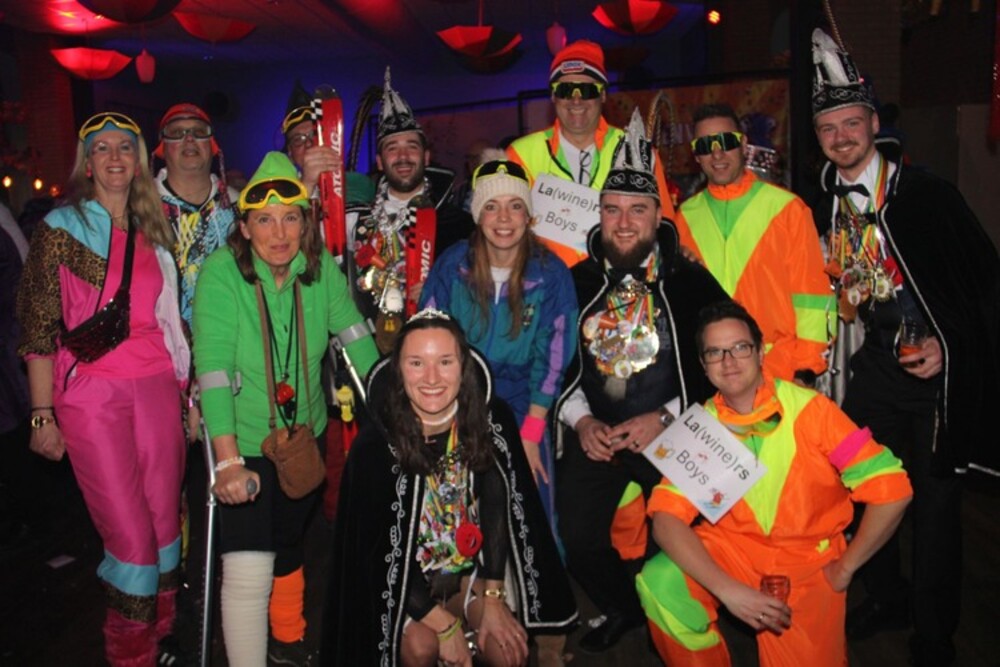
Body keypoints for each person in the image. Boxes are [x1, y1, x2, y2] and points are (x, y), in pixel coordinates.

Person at [810, 27, 1000, 666]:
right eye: (828, 128)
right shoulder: (825, 204)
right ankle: (887, 596)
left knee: (937, 504)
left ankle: (935, 635)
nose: (841, 137)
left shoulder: (928, 196)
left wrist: (951, 347)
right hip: (877, 364)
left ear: (873, 124)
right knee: (863, 484)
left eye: (851, 123)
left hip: (936, 374)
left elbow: (985, 284)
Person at [636, 301, 913, 666]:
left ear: (761, 353)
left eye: (740, 347)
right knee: (661, 583)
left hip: (805, 564)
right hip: (733, 551)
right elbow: (665, 520)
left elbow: (892, 489)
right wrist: (728, 590)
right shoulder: (700, 425)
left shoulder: (813, 411)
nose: (728, 361)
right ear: (703, 365)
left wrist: (845, 569)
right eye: (715, 353)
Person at [16, 112, 190, 666]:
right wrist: (41, 415)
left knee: (165, 525)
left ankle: (161, 636)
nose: (115, 157)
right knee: (131, 539)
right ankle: (131, 653)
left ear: (139, 162)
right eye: (102, 148)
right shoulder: (60, 229)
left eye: (125, 147)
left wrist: (187, 397)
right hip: (92, 396)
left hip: (158, 388)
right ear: (87, 163)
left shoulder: (155, 226)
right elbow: (37, 330)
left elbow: (170, 319)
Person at [192, 152, 379, 666]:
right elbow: (213, 371)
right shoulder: (221, 274)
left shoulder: (317, 271)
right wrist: (228, 462)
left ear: (305, 222)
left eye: (291, 218)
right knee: (249, 563)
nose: (279, 233)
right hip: (242, 437)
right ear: (245, 227)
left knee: (288, 539)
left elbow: (356, 338)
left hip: (304, 432)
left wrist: (397, 407)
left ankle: (288, 637)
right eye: (265, 220)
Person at [553, 109, 729, 653]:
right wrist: (582, 422)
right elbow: (553, 363)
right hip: (598, 434)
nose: (624, 222)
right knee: (574, 537)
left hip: (674, 433)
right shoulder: (574, 282)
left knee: (681, 543)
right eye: (612, 209)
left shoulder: (689, 280)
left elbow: (730, 358)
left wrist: (667, 416)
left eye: (637, 209)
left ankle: (667, 615)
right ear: (599, 215)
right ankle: (624, 607)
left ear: (658, 215)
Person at [322, 311, 578, 666]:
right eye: (416, 363)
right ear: (398, 371)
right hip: (403, 591)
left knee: (509, 650)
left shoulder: (489, 423)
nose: (431, 378)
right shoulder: (375, 448)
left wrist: (493, 598)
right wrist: (444, 626)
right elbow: (375, 558)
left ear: (464, 368)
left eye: (445, 362)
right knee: (422, 647)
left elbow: (496, 506)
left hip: (462, 576)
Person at [420, 153, 578, 522]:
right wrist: (431, 415)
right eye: (491, 206)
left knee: (530, 510)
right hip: (455, 399)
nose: (504, 218)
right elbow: (426, 335)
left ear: (528, 216)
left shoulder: (550, 274)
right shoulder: (453, 265)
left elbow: (553, 359)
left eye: (515, 206)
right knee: (450, 511)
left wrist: (532, 433)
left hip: (521, 404)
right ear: (477, 214)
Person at [674, 103, 833, 384]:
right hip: (712, 374)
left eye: (726, 141)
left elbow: (812, 296)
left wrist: (806, 369)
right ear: (696, 155)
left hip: (779, 370)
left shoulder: (787, 209)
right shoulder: (684, 217)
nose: (717, 154)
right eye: (705, 145)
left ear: (743, 144)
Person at [506, 40, 675, 266]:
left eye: (587, 90)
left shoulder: (635, 150)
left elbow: (665, 228)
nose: (576, 100)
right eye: (565, 90)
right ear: (553, 96)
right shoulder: (521, 154)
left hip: (620, 281)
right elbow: (503, 231)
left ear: (603, 95)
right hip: (547, 282)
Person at [353, 68, 475, 352]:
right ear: (379, 162)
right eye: (392, 148)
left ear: (426, 156)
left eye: (412, 147)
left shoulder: (460, 225)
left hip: (440, 351)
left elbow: (481, 295)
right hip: (373, 354)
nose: (403, 156)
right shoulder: (357, 222)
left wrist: (439, 290)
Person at [153, 102, 239, 327]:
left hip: (230, 336)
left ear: (212, 145)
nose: (189, 139)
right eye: (177, 133)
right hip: (161, 341)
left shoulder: (240, 207)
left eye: (199, 132)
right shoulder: (140, 210)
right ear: (163, 148)